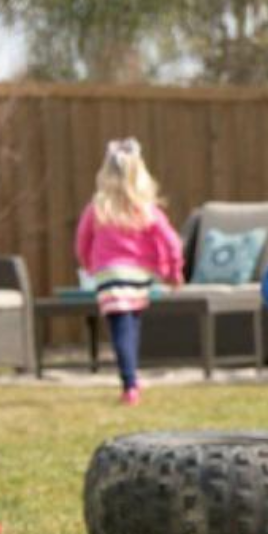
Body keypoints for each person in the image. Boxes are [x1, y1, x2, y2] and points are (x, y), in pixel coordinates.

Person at [75, 138, 184, 406]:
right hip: (138, 276)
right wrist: (173, 270)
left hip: (109, 275)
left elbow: (81, 241)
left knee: (120, 327)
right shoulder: (146, 209)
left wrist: (88, 264)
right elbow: (171, 241)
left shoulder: (98, 208)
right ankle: (131, 378)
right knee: (131, 325)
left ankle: (129, 383)